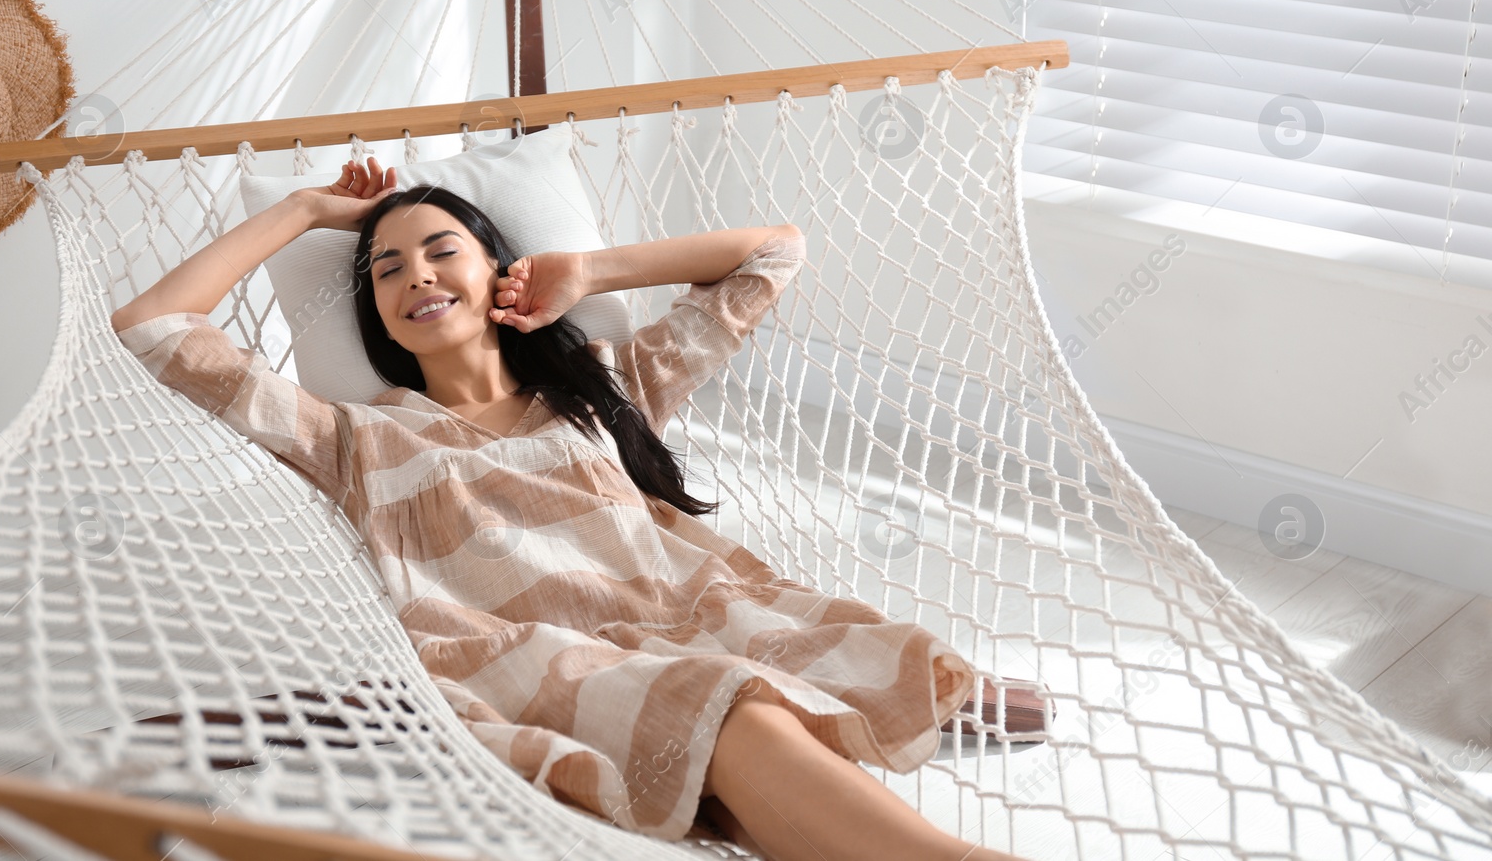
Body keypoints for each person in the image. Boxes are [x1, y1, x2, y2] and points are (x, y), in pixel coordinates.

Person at [110, 157, 1030, 861]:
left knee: (751, 710)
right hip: (534, 663)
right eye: (387, 269)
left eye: (442, 251)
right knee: (736, 710)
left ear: (497, 273)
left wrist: (587, 273)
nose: (417, 275)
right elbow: (151, 327)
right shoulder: (352, 437)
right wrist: (306, 211)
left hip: (693, 620)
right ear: (378, 314)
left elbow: (773, 252)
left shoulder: (605, 394)